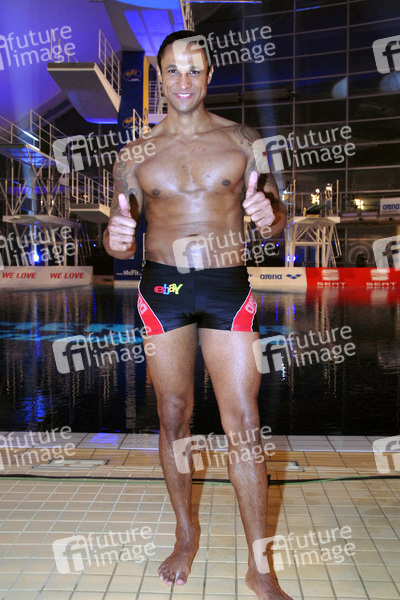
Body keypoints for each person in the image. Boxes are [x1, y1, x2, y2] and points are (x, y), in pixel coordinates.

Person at [104, 30, 292, 600]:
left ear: (209, 76)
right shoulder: (133, 155)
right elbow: (117, 234)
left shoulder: (244, 141)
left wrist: (270, 214)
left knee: (244, 422)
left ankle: (260, 566)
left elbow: (277, 217)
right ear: (160, 79)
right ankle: (186, 535)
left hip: (225, 284)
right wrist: (115, 240)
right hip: (163, 286)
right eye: (173, 71)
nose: (184, 81)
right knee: (172, 415)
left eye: (194, 70)